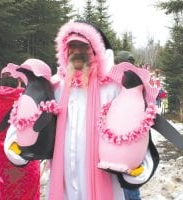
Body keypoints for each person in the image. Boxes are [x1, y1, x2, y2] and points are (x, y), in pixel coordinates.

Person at [48, 21, 126, 200]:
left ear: (95, 51)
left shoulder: (112, 87)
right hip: (64, 175)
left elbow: (129, 128)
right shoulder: (55, 85)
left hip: (102, 175)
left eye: (82, 46)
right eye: (72, 46)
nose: (76, 51)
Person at [0, 63, 40, 200]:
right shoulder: (29, 103)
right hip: (26, 160)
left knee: (6, 195)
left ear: (0, 81)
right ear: (19, 80)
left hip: (0, 162)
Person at [114, 50, 142, 200]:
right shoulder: (116, 82)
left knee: (129, 182)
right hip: (117, 138)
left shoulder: (134, 84)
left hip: (130, 138)